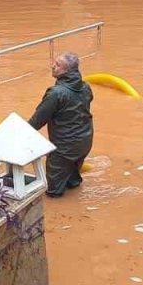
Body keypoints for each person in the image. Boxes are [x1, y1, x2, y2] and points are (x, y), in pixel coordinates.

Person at [28, 52, 94, 197]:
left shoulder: (56, 93)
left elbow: (37, 121)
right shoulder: (86, 87)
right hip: (85, 142)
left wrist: (18, 132)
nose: (53, 66)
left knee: (54, 192)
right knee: (73, 182)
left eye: (58, 65)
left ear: (67, 71)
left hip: (64, 149)